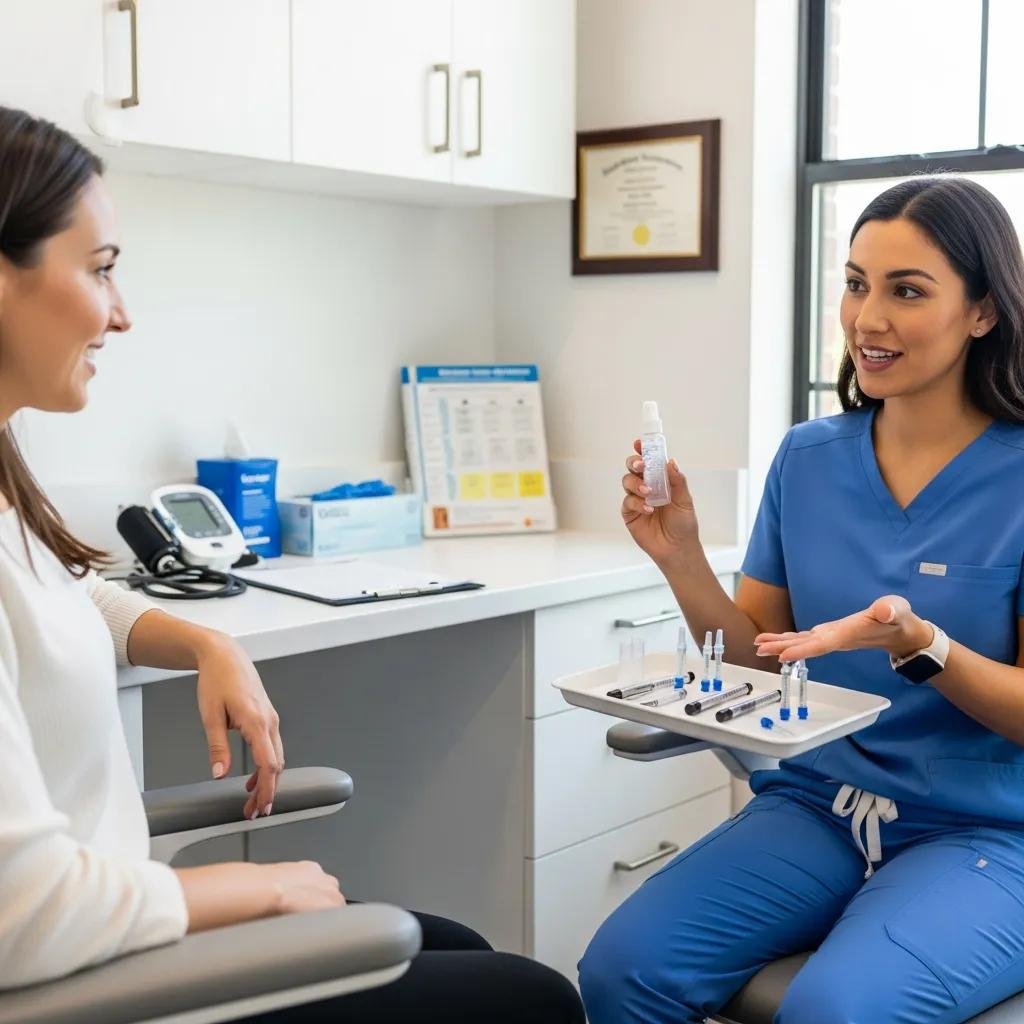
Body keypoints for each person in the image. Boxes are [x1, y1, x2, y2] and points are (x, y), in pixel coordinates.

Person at [0, 105, 583, 1024]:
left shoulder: (3, 483)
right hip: (86, 981)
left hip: (104, 939)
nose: (121, 312)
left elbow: (68, 598)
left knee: (459, 949)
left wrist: (203, 642)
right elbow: (21, 917)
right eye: (101, 270)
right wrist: (258, 891)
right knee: (532, 1001)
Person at [580, 175, 1024, 1024]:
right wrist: (679, 559)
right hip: (823, 803)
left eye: (907, 291)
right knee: (621, 970)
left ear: (984, 311)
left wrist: (921, 644)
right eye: (856, 283)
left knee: (833, 1011)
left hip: (994, 832)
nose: (868, 318)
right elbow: (757, 660)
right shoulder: (810, 457)